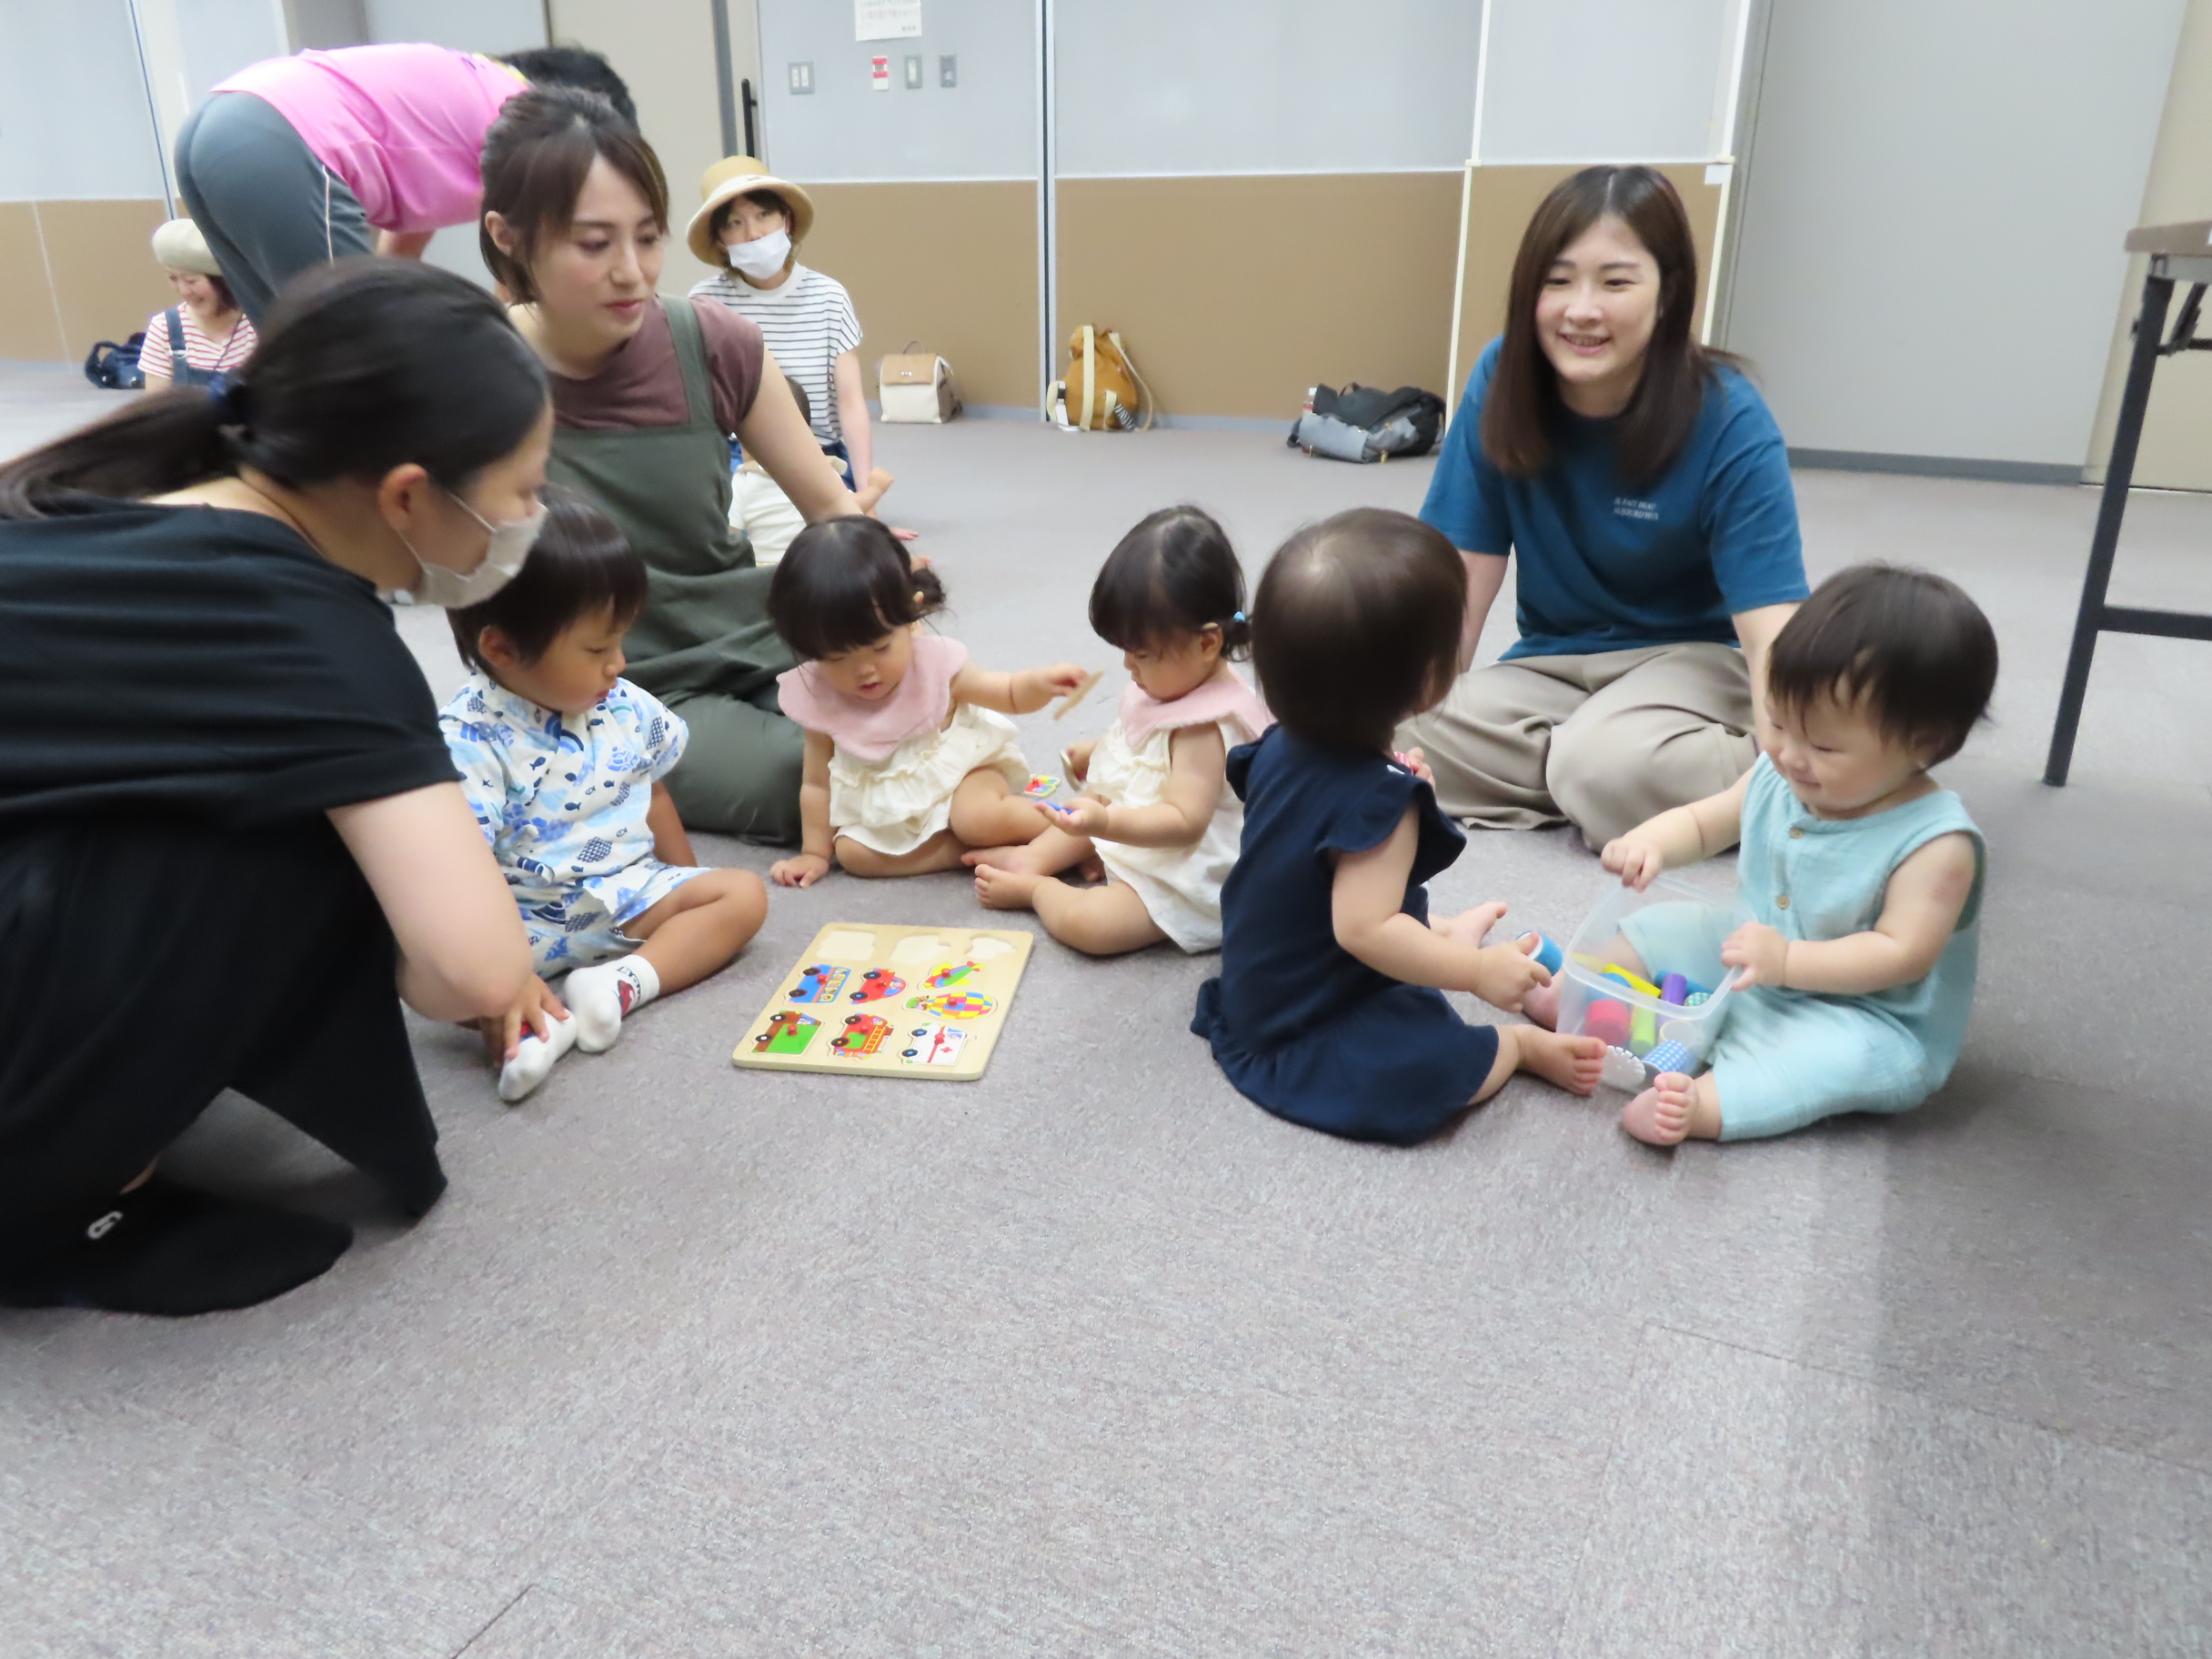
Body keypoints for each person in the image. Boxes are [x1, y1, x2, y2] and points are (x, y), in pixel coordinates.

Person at [0, 260, 549, 1315]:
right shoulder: (310, 636)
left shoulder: (131, 489)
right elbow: (475, 974)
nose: (532, 516)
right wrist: (454, 940)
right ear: (406, 493)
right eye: (522, 491)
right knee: (313, 829)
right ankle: (69, 1206)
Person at [479, 86, 868, 843]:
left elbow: (832, 510)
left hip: (753, 628)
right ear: (510, 238)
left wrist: (892, 618)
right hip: (613, 681)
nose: (633, 271)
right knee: (811, 778)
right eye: (595, 244)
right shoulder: (476, 369)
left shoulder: (714, 341)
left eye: (648, 238)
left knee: (920, 716)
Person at [1400, 165, 1809, 851]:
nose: (1581, 310)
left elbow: (1772, 623)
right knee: (1380, 726)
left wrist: (1798, 747)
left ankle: (1729, 778)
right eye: (1557, 281)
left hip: (1692, 664)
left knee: (1600, 763)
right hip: (1552, 665)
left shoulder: (1728, 414)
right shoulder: (1503, 377)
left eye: (1615, 283)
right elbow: (1459, 571)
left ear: (1667, 292)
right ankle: (1603, 775)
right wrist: (1419, 701)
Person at [1191, 508, 1605, 1147]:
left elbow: (1311, 856)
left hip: (1261, 976)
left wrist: (1391, 783)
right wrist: (1474, 974)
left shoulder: (1278, 744)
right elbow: (1364, 930)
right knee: (1424, 1067)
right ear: (1427, 681)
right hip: (1305, 1018)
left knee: (1374, 895)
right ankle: (1517, 1046)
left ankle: (1443, 935)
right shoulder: (1382, 803)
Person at [1563, 565, 1995, 1147]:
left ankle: (1701, 1106)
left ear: (1924, 744)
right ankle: (1584, 993)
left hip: (1863, 1015)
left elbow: (1901, 955)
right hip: (1755, 959)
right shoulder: (1780, 772)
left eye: (1822, 745)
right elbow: (1707, 821)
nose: (1789, 754)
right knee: (1670, 924)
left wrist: (1789, 962)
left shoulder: (1937, 845)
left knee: (1832, 1062)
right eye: (1778, 722)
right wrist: (1653, 842)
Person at [440, 488, 769, 1104]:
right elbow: (461, 875)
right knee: (446, 982)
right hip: (523, 925)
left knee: (742, 895)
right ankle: (533, 1026)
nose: (618, 663)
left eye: (620, 642)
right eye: (596, 649)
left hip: (626, 897)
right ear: (502, 649)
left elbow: (654, 791)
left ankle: (620, 984)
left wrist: (686, 883)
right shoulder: (469, 739)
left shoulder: (621, 704)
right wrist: (500, 975)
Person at [970, 507, 1272, 956]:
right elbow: (1149, 749)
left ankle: (1039, 889)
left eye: (1142, 654)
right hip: (1145, 823)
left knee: (1094, 925)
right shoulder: (1175, 680)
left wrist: (1107, 824)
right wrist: (1101, 752)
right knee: (1094, 797)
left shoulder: (1205, 728)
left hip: (1186, 866)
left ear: (1207, 643)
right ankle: (1033, 856)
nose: (1128, 665)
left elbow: (1184, 823)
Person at [174, 43, 632, 322]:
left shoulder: (470, 86)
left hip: (214, 124)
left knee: (290, 340)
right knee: (355, 340)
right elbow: (523, 266)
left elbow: (405, 248)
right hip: (281, 139)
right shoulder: (532, 119)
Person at [764, 518, 1083, 885]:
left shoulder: (935, 666)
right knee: (853, 854)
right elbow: (817, 785)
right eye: (837, 658)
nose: (865, 671)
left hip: (964, 778)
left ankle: (1073, 833)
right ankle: (962, 852)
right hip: (895, 810)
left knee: (976, 820)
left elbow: (1008, 692)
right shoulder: (820, 697)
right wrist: (814, 853)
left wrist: (1039, 684)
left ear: (911, 614)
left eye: (881, 647)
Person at [687, 156, 877, 488]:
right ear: (719, 240)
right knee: (743, 515)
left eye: (763, 215)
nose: (753, 234)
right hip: (741, 456)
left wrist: (866, 494)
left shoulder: (829, 296)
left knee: (833, 519)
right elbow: (696, 403)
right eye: (734, 224)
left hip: (819, 451)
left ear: (786, 220)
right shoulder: (706, 303)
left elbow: (851, 404)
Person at [138, 218, 257, 390]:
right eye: (173, 278)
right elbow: (157, 403)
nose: (183, 290)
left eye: (191, 281)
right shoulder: (165, 329)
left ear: (223, 281)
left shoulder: (257, 325)